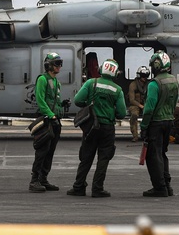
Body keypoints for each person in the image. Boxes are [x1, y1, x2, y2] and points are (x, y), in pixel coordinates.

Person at [67, 59, 127, 198]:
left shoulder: (90, 83)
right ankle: (97, 188)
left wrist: (90, 103)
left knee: (86, 157)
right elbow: (122, 113)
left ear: (100, 70)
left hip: (91, 126)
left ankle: (78, 187)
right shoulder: (117, 90)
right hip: (107, 128)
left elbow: (78, 100)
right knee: (104, 158)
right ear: (115, 74)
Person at [139, 51, 179, 197]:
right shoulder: (174, 81)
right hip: (169, 121)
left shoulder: (154, 84)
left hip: (156, 123)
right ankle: (167, 185)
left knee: (153, 156)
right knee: (162, 153)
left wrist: (144, 127)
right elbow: (174, 103)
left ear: (156, 65)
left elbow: (149, 108)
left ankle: (159, 187)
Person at [29, 51, 63, 193]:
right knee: (42, 151)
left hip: (55, 121)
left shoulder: (56, 81)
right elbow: (40, 100)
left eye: (60, 64)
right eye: (57, 64)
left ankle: (43, 179)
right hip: (47, 121)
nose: (59, 67)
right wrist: (51, 115)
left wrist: (61, 108)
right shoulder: (42, 79)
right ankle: (34, 181)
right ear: (48, 65)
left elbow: (54, 101)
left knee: (50, 151)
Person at [126, 66, 150, 142]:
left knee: (150, 115)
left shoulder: (149, 85)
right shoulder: (133, 85)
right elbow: (132, 100)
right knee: (134, 115)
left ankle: (146, 133)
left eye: (146, 76)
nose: (145, 78)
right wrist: (141, 106)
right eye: (143, 76)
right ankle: (135, 136)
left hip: (145, 104)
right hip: (134, 105)